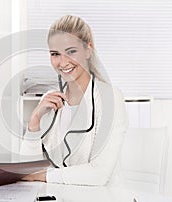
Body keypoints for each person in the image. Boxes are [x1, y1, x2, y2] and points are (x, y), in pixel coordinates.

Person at [20, 15, 128, 186]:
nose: (63, 62)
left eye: (71, 51)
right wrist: (35, 120)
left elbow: (98, 174)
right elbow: (27, 170)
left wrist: (42, 176)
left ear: (87, 50)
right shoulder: (52, 100)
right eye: (55, 54)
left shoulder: (110, 98)